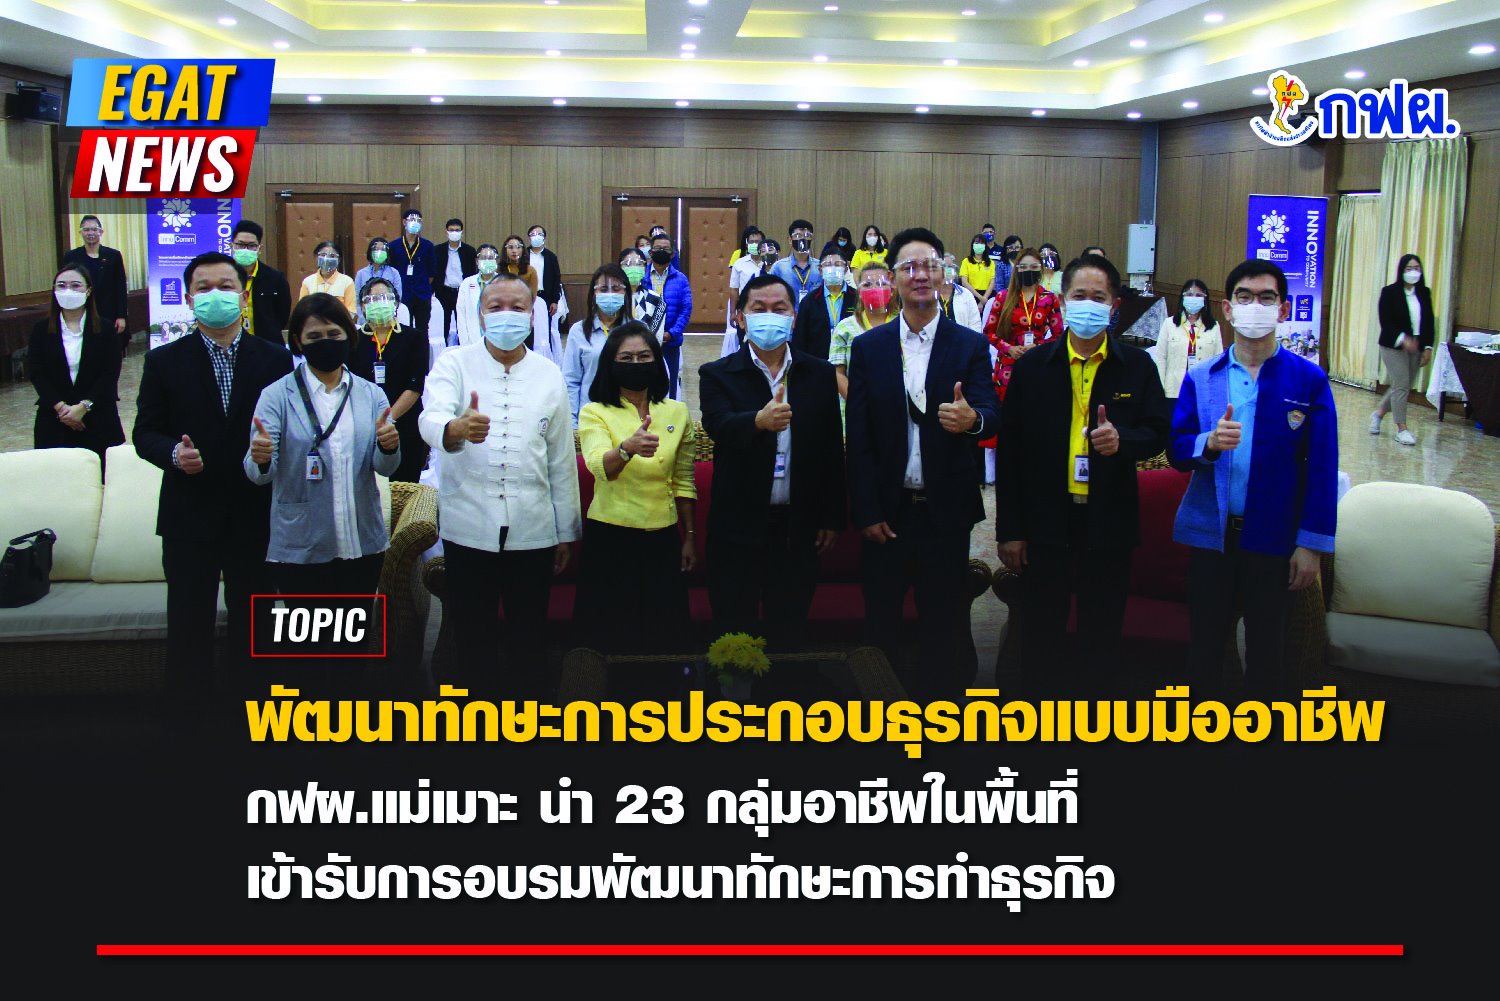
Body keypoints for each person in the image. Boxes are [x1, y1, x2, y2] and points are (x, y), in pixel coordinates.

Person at [994, 253, 1170, 686]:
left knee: (1102, 635)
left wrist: (1123, 441)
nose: (1088, 304)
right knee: (1041, 633)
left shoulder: (1137, 366)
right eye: (1079, 295)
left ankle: (1094, 717)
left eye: (1099, 297)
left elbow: (1158, 432)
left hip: (1108, 522)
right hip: (1045, 522)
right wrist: (1010, 529)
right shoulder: (1033, 367)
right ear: (1062, 300)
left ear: (1114, 306)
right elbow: (1010, 453)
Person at [1170, 259, 1338, 698]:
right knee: (1204, 651)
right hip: (1213, 539)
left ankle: (1259, 733)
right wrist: (1207, 443)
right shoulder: (1203, 377)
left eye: (1266, 298)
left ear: (1283, 310)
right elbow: (1177, 450)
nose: (1255, 306)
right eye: (1244, 297)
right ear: (1228, 309)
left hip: (1276, 542)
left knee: (1268, 655)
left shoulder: (1308, 380)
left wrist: (1311, 545)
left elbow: (1322, 467)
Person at [845, 227, 999, 697]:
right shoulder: (869, 347)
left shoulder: (969, 345)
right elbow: (860, 436)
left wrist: (973, 420)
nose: (920, 275)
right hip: (887, 513)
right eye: (909, 267)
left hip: (945, 513)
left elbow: (991, 414)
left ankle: (941, 714)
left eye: (930, 265)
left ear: (943, 274)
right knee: (882, 623)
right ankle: (879, 714)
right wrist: (866, 509)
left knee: (944, 623)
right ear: (893, 278)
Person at [133, 251, 294, 700]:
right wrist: (173, 454)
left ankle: (254, 712)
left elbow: (293, 430)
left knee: (256, 623)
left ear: (243, 297)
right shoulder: (163, 361)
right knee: (188, 623)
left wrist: (272, 451)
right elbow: (145, 432)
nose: (215, 295)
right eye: (203, 288)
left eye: (226, 287)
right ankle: (187, 716)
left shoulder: (275, 359)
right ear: (188, 299)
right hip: (189, 514)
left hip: (254, 514)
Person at [419, 271, 580, 694]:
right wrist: (454, 428)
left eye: (517, 307)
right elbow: (430, 417)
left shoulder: (548, 373)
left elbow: (561, 460)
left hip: (534, 528)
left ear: (532, 316)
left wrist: (566, 531)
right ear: (480, 315)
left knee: (529, 637)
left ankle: (527, 718)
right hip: (468, 525)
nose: (507, 315)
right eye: (496, 307)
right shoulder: (454, 363)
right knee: (473, 638)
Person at [699, 275, 847, 646]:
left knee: (790, 626)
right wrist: (757, 421)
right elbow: (718, 425)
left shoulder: (819, 373)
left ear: (793, 317)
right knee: (734, 629)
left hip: (798, 525)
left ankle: (788, 682)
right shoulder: (717, 374)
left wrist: (831, 517)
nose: (770, 316)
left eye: (779, 309)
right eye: (759, 309)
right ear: (740, 317)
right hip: (738, 524)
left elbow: (831, 448)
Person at [244, 293, 400, 609]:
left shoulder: (371, 395)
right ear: (298, 342)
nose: (325, 342)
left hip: (361, 541)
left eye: (333, 334)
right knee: (311, 636)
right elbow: (259, 474)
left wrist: (389, 446)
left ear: (348, 336)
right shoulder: (276, 396)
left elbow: (386, 467)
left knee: (352, 633)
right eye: (314, 336)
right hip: (301, 545)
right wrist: (260, 459)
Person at [575, 321, 697, 654]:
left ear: (657, 362)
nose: (636, 364)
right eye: (626, 358)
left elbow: (684, 480)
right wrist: (626, 449)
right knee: (610, 635)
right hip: (610, 538)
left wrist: (689, 536)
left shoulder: (677, 412)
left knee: (663, 633)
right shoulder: (595, 412)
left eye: (644, 357)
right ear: (610, 364)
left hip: (663, 537)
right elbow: (599, 466)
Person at [29, 265, 125, 472]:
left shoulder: (105, 329)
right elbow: (36, 372)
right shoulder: (41, 329)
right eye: (61, 286)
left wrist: (83, 407)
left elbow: (110, 373)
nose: (68, 291)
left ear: (88, 291)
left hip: (98, 416)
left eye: (75, 285)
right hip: (54, 418)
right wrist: (62, 408)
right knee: (56, 477)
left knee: (101, 477)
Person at [349, 276, 429, 483]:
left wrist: (387, 420)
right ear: (363, 306)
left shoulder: (414, 338)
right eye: (373, 299)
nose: (379, 303)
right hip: (364, 426)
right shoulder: (353, 341)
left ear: (396, 303)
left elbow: (414, 386)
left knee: (404, 487)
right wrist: (371, 423)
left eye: (385, 298)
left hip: (405, 423)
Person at [985, 247, 1064, 406]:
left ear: (1041, 269)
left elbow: (1059, 336)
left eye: (1034, 266)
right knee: (1006, 410)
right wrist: (1009, 348)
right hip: (1008, 362)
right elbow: (988, 332)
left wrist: (1038, 347)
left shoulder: (1050, 299)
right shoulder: (1003, 297)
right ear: (1017, 269)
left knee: (1034, 408)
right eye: (1023, 267)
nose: (1029, 270)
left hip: (1038, 362)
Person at [1371, 253, 1436, 446]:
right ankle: (1402, 428)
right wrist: (1403, 339)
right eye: (1409, 268)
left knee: (1402, 386)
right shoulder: (1389, 292)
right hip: (1393, 345)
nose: (1413, 272)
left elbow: (1429, 322)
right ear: (1401, 271)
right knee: (1401, 384)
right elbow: (1386, 322)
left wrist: (1428, 347)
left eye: (1416, 268)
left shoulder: (1424, 293)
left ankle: (1378, 414)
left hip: (1417, 346)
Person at [563, 263, 632, 426]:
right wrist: (573, 423)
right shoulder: (578, 331)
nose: (610, 294)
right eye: (603, 289)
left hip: (628, 418)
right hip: (591, 418)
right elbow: (571, 380)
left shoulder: (638, 330)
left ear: (625, 292)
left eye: (616, 289)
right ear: (594, 293)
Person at [61, 215, 130, 351]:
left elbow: (120, 287)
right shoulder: (71, 257)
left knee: (109, 349)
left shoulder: (113, 255)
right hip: (81, 312)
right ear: (80, 233)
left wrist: (121, 316)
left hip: (109, 313)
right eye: (86, 230)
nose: (90, 233)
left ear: (101, 232)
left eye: (94, 229)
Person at [830, 260, 895, 401]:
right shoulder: (844, 328)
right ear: (859, 292)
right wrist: (858, 402)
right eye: (867, 284)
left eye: (881, 283)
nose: (875, 288)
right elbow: (838, 373)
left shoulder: (903, 324)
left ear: (891, 290)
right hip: (856, 406)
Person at [1151, 278, 1221, 400]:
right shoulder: (1169, 324)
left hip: (1203, 391)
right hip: (1173, 391)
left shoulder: (1214, 326)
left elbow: (1218, 361)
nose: (1193, 298)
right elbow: (1160, 358)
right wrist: (1159, 387)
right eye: (1189, 294)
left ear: (1205, 299)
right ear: (1183, 297)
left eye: (1198, 295)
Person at [645, 231, 692, 398]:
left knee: (670, 383)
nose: (661, 252)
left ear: (672, 254)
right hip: (645, 341)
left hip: (670, 341)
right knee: (645, 382)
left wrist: (672, 333)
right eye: (658, 248)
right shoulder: (642, 278)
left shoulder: (681, 279)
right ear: (650, 253)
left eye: (665, 249)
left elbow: (686, 310)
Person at [230, 221, 292, 346]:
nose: (245, 250)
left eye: (251, 246)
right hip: (230, 345)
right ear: (231, 246)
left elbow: (282, 315)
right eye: (240, 245)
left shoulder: (275, 278)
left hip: (267, 346)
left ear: (260, 249)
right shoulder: (223, 278)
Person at [791, 249, 855, 359]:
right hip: (817, 361)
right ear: (820, 270)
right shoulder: (809, 301)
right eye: (828, 264)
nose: (833, 268)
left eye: (838, 264)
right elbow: (800, 339)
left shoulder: (857, 298)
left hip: (851, 358)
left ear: (845, 269)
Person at [387, 209, 434, 342]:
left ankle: (422, 354)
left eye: (418, 221)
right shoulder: (393, 246)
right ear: (404, 222)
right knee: (402, 329)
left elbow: (431, 274)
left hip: (422, 294)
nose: (415, 223)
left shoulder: (428, 246)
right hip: (402, 294)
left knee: (422, 330)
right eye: (412, 220)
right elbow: (391, 271)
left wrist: (423, 286)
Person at [432, 219, 477, 345]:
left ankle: (463, 347)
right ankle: (445, 349)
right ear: (446, 232)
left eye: (457, 230)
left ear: (462, 232)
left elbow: (473, 272)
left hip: (462, 292)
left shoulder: (469, 251)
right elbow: (434, 273)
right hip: (444, 292)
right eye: (451, 230)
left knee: (462, 323)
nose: (454, 233)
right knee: (444, 324)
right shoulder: (438, 250)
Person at [455, 244, 502, 347]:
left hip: (498, 342)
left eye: (490, 258)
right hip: (472, 341)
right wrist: (465, 344)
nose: (487, 261)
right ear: (477, 261)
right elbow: (461, 315)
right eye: (483, 258)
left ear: (496, 261)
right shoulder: (467, 283)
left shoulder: (504, 283)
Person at [353, 238, 404, 326]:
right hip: (366, 319)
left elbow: (397, 298)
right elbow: (357, 299)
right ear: (370, 252)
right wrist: (363, 318)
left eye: (382, 249)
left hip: (388, 318)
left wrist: (390, 316)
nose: (379, 252)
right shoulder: (361, 274)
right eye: (376, 249)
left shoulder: (394, 273)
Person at [297, 241, 357, 317]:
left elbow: (351, 311)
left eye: (332, 256)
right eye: (323, 255)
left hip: (338, 322)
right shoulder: (307, 281)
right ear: (316, 257)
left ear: (339, 259)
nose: (327, 259)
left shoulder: (347, 281)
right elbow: (302, 309)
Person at [620, 246, 667, 341]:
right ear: (619, 268)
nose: (633, 268)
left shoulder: (655, 299)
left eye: (639, 264)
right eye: (627, 264)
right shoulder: (613, 299)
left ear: (645, 268)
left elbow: (657, 337)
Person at [771, 219, 822, 306]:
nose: (802, 239)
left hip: (814, 313)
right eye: (798, 235)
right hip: (788, 313)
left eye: (807, 236)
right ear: (790, 240)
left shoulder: (820, 267)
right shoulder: (779, 267)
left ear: (812, 239)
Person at [527, 224, 564, 321]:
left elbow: (556, 280)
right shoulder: (523, 255)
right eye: (533, 234)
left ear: (544, 238)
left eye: (539, 234)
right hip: (526, 295)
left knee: (544, 325)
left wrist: (555, 301)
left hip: (545, 296)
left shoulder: (551, 257)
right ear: (529, 238)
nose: (536, 237)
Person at [939, 254, 983, 331]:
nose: (946, 271)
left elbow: (975, 323)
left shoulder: (966, 294)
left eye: (949, 267)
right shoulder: (929, 294)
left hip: (963, 337)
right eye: (942, 267)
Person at [958, 234, 996, 308]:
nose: (979, 245)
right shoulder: (966, 261)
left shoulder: (991, 263)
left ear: (985, 246)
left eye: (982, 243)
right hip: (971, 295)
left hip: (987, 296)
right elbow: (964, 282)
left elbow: (992, 283)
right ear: (972, 245)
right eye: (977, 243)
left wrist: (983, 300)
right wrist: (980, 298)